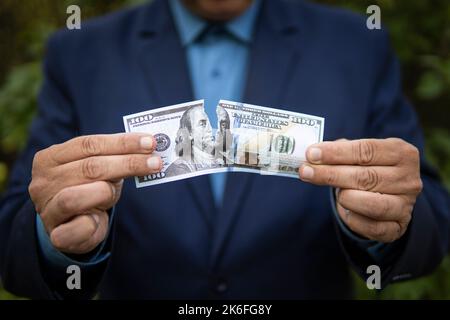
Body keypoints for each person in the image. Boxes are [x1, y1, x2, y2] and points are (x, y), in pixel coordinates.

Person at [0, 0, 449, 299]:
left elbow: (430, 214)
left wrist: (392, 214)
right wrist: (52, 234)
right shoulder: (80, 51)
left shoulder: (357, 44)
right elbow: (13, 237)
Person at [165, 105, 220, 176]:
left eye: (210, 124)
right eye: (202, 124)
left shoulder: (218, 160)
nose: (210, 130)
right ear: (189, 133)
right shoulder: (178, 169)